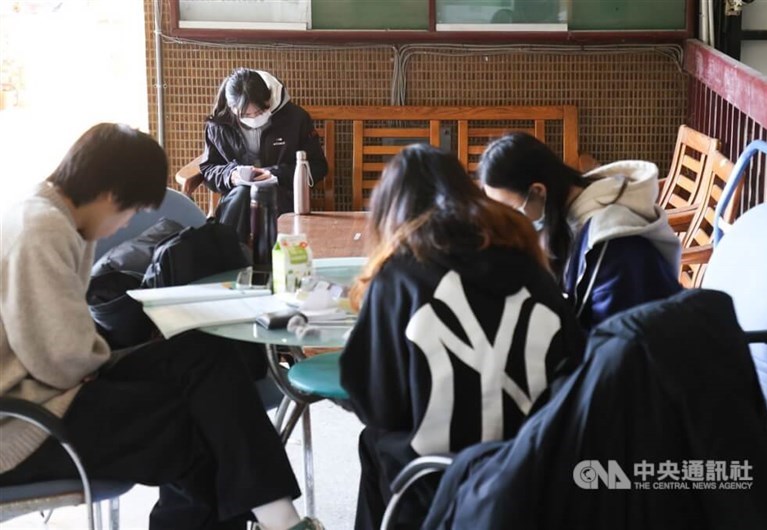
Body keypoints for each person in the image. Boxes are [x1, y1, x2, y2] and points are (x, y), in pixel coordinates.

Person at [0, 123, 322, 530]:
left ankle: (280, 520)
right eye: (131, 211)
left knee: (201, 350)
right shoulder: (42, 228)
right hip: (26, 423)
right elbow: (63, 357)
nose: (124, 225)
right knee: (202, 424)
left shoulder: (49, 216)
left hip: (52, 396)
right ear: (109, 194)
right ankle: (281, 520)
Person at [339, 144, 585, 529]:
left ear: (392, 213)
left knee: (375, 441)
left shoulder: (401, 275)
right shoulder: (532, 267)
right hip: (536, 474)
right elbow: (573, 370)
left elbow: (376, 403)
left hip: (438, 483)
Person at [478, 131, 682, 332]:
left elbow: (618, 344)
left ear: (538, 191)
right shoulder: (566, 215)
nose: (511, 222)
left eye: (512, 211)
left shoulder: (613, 244)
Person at [200, 68, 328, 242]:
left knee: (258, 194)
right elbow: (209, 169)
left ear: (269, 99)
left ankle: (232, 257)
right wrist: (231, 175)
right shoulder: (219, 124)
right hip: (236, 197)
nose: (253, 118)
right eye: (245, 115)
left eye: (260, 112)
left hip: (282, 194)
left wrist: (275, 174)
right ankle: (233, 257)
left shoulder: (295, 119)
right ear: (232, 108)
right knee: (243, 192)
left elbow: (318, 166)